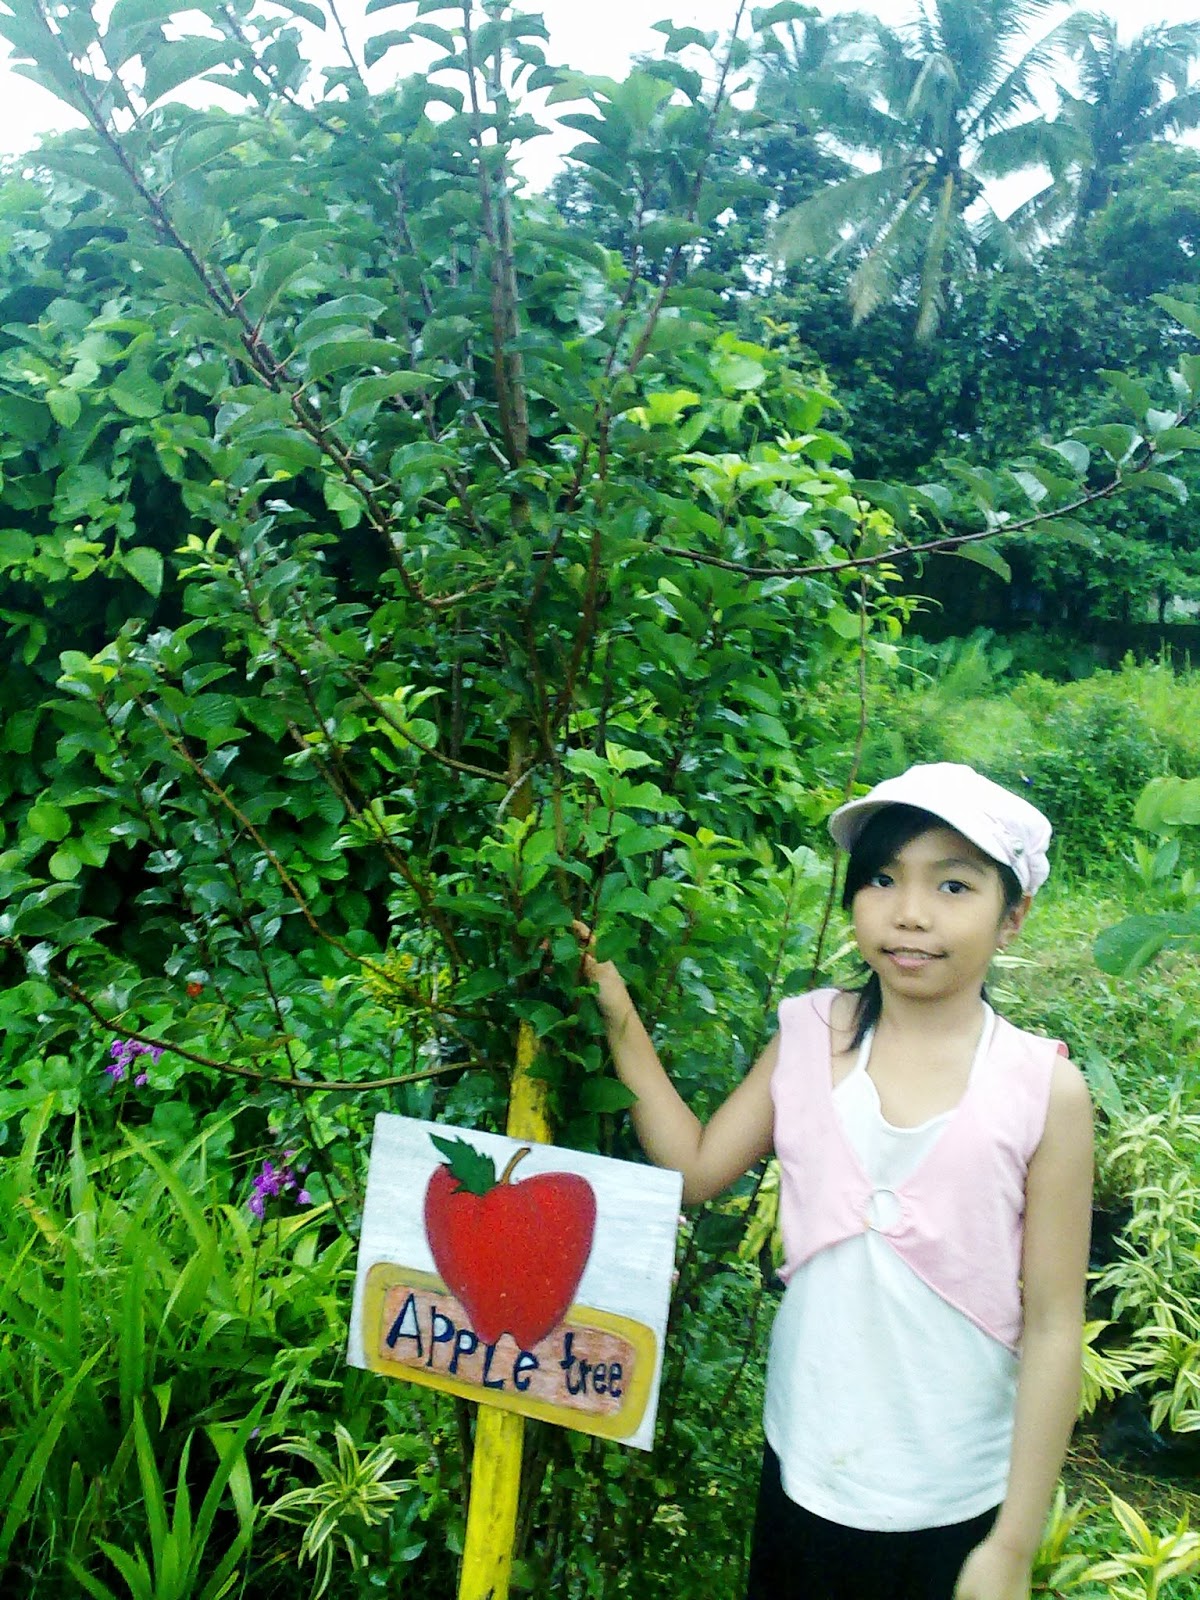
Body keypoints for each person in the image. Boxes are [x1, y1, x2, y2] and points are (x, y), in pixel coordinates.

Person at [577, 762, 1093, 1600]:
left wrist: (1011, 1547)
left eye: (955, 885)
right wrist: (619, 1015)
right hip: (806, 1467)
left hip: (953, 1497)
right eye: (882, 880)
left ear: (1014, 916)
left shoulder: (1045, 1092)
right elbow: (698, 1168)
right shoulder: (810, 1033)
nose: (911, 913)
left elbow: (1054, 1326)